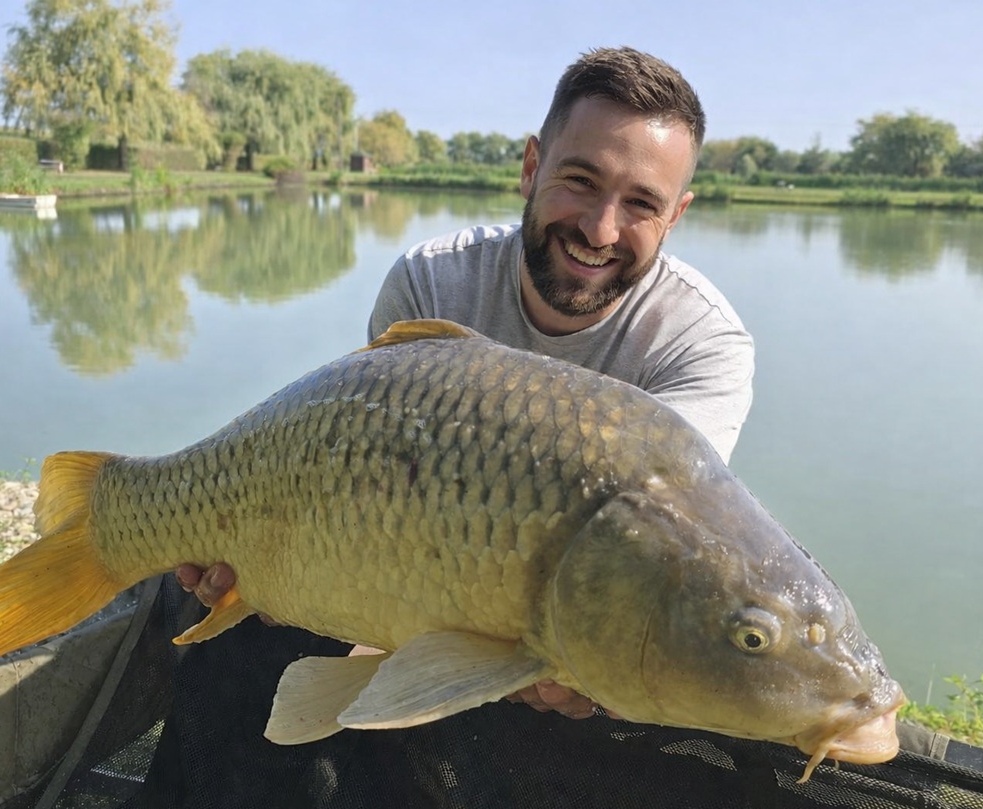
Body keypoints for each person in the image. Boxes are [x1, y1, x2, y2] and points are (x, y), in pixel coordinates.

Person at [176, 45, 755, 721]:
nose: (600, 229)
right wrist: (277, 579)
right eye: (580, 181)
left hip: (562, 643)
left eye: (640, 204)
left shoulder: (701, 344)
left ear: (676, 215)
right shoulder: (431, 283)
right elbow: (358, 497)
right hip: (414, 600)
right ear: (531, 167)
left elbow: (675, 553)